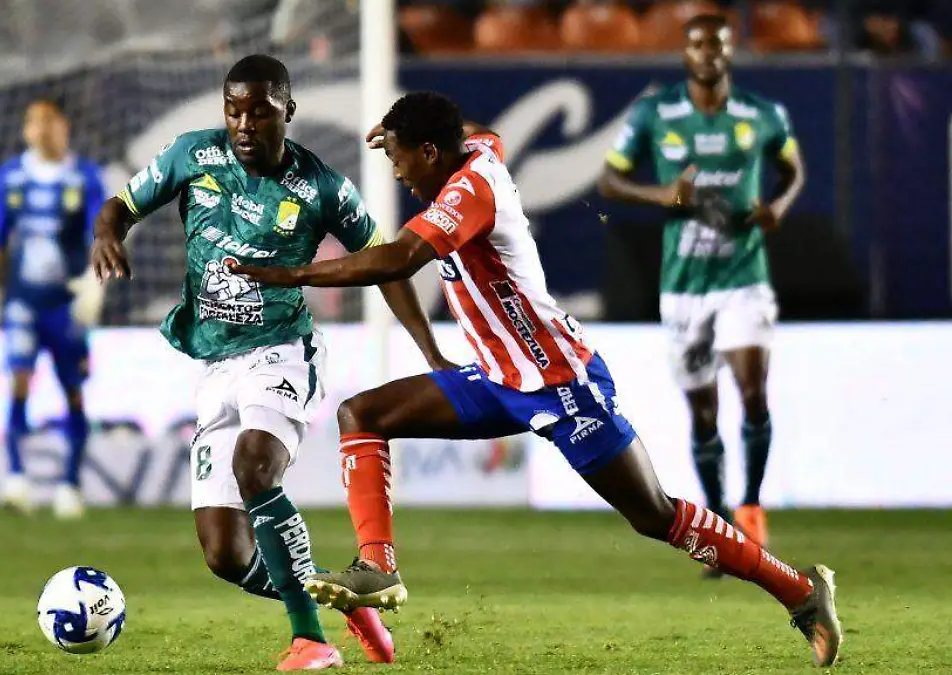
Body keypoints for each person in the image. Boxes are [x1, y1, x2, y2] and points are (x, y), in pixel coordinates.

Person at [229, 90, 842, 668]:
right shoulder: (474, 149)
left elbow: (399, 259)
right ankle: (377, 566)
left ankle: (800, 590)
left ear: (431, 153)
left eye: (400, 157)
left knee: (653, 515)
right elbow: (478, 131)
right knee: (362, 414)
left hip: (558, 381)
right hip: (499, 379)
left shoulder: (470, 190)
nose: (396, 171)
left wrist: (293, 275)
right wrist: (400, 127)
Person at [90, 54, 450, 671]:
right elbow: (122, 203)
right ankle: (342, 603)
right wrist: (107, 232)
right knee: (224, 554)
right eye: (234, 111)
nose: (244, 124)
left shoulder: (321, 187)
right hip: (216, 365)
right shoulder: (192, 155)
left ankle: (311, 641)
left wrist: (430, 350)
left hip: (282, 353)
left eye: (260, 112)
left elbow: (386, 262)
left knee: (255, 465)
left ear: (288, 111)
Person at [596, 13, 806, 555]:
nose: (708, 53)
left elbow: (793, 169)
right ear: (685, 53)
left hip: (744, 277)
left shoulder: (762, 114)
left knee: (753, 392)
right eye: (698, 45)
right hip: (684, 284)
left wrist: (778, 207)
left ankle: (751, 507)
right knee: (703, 412)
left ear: (730, 51)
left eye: (717, 44)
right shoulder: (654, 113)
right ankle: (719, 522)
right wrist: (660, 196)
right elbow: (609, 179)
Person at [0, 97, 107, 520]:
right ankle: (15, 478)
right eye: (33, 120)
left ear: (65, 125)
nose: (41, 128)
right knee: (19, 380)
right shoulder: (11, 176)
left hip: (66, 304)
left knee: (73, 390)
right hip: (24, 301)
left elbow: (99, 233)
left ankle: (70, 485)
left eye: (49, 119)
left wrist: (94, 284)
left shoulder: (85, 176)